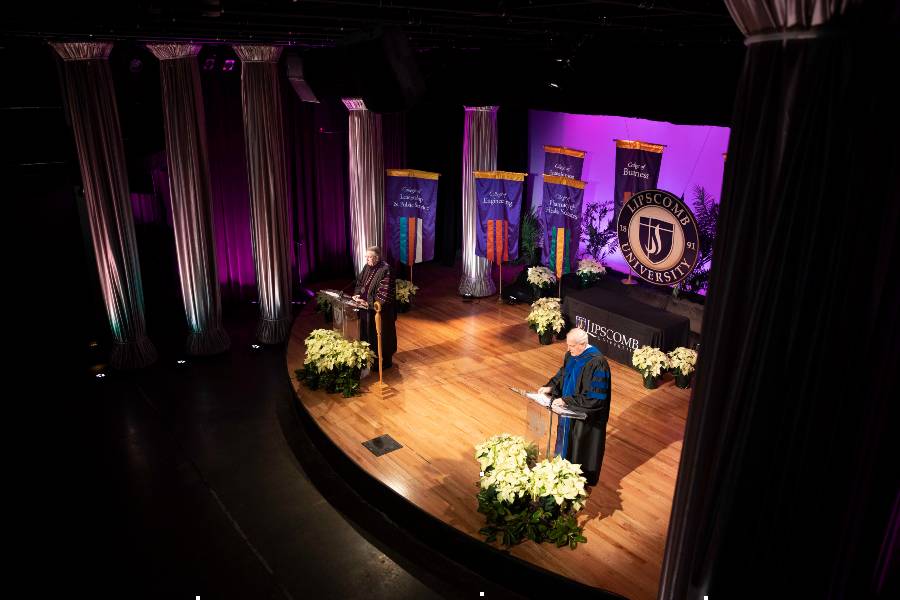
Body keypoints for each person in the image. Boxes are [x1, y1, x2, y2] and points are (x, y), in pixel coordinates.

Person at [538, 327, 611, 486]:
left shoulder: (597, 363)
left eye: (571, 346)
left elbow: (596, 398)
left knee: (579, 449)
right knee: (564, 444)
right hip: (567, 413)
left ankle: (575, 483)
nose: (568, 349)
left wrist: (567, 401)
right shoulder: (571, 355)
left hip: (585, 420)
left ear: (582, 344)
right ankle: (559, 473)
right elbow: (563, 374)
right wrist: (550, 387)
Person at [352, 246, 397, 369]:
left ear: (377, 257)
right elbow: (360, 283)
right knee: (367, 335)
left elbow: (385, 292)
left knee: (383, 336)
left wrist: (369, 303)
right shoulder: (367, 267)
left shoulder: (386, 270)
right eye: (366, 256)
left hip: (381, 312)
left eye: (369, 257)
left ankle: (384, 361)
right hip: (365, 310)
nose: (367, 259)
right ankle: (371, 358)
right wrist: (357, 295)